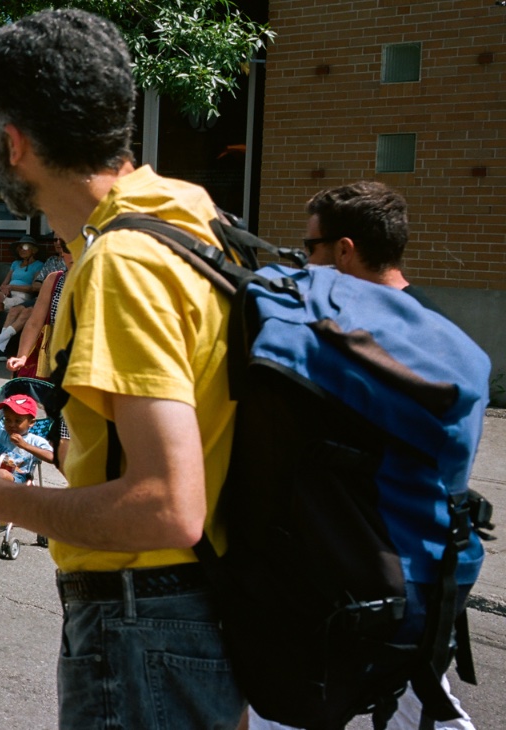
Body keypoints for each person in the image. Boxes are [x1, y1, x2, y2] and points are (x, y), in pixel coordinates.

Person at [0, 10, 243, 727]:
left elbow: (168, 505)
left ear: (19, 142)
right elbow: (86, 214)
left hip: (144, 626)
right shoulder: (188, 215)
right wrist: (5, 141)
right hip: (199, 613)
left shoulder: (123, 266)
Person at [243, 181, 477, 730]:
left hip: (350, 578)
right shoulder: (443, 333)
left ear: (344, 250)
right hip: (433, 573)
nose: (305, 262)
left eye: (311, 249)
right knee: (426, 703)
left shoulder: (335, 332)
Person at [303, 181, 438, 312]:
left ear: (344, 250)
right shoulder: (432, 321)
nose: (308, 261)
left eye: (310, 247)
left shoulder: (371, 327)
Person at [0, 239, 74, 365]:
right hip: (55, 349)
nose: (73, 253)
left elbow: (32, 288)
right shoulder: (53, 278)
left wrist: (13, 287)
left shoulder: (99, 280)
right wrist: (22, 357)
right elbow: (34, 322)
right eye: (67, 248)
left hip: (26, 296)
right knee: (0, 305)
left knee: (27, 311)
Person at [0, 394, 54, 483]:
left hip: (19, 479)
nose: (11, 424)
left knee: (1, 474)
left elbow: (52, 458)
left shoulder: (34, 441)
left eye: (17, 421)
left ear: (31, 422)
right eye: (7, 419)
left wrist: (26, 446)